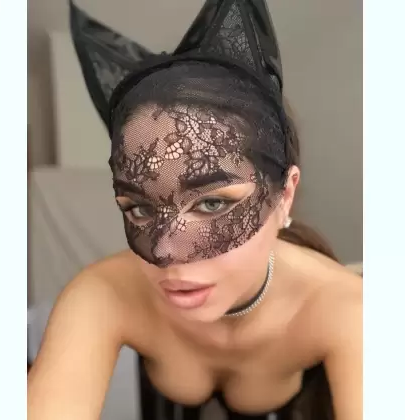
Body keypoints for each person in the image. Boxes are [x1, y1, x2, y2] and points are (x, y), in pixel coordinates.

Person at [27, 1, 362, 419]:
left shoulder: (346, 309)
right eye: (139, 209)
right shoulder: (106, 293)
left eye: (212, 203)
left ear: (284, 196)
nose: (165, 253)